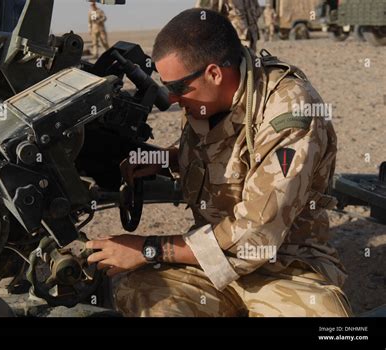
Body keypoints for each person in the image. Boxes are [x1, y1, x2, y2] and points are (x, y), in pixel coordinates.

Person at [86, 9, 352, 317]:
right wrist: (159, 159)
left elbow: (256, 237)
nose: (172, 100)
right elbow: (210, 152)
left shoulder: (291, 113)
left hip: (285, 267)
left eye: (177, 88)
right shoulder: (206, 99)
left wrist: (148, 248)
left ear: (214, 73)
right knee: (140, 294)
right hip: (209, 264)